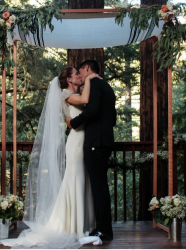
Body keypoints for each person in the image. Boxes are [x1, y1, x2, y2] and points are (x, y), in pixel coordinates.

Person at [0, 67, 102, 248]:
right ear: (69, 79)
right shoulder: (66, 94)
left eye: (80, 73)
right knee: (75, 179)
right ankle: (72, 226)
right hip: (76, 143)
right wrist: (91, 78)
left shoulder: (75, 93)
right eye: (77, 74)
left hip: (85, 142)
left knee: (83, 179)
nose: (80, 76)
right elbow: (85, 100)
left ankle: (84, 223)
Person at [66, 60, 117, 241]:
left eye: (80, 70)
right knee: (100, 185)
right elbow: (113, 118)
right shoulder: (106, 86)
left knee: (99, 186)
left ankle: (104, 230)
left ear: (87, 68)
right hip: (104, 140)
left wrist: (73, 123)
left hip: (96, 141)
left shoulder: (94, 83)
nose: (80, 74)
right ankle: (102, 227)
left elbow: (93, 110)